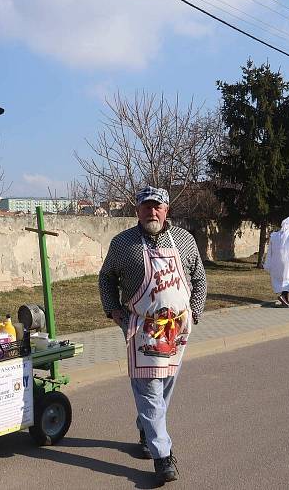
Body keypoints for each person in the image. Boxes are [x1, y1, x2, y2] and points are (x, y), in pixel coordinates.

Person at [99, 186, 207, 485]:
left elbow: (199, 278)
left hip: (177, 330)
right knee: (149, 390)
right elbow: (106, 278)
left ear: (166, 209)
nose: (152, 211)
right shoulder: (123, 244)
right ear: (138, 210)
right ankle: (163, 456)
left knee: (165, 387)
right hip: (141, 329)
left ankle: (147, 431)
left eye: (157, 206)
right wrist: (113, 310)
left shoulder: (185, 240)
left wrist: (195, 312)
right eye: (146, 206)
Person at [263, 212, 289, 307]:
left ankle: (285, 299)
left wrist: (268, 262)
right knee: (288, 278)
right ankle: (283, 296)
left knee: (281, 279)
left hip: (276, 262)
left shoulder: (275, 235)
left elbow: (270, 249)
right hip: (288, 261)